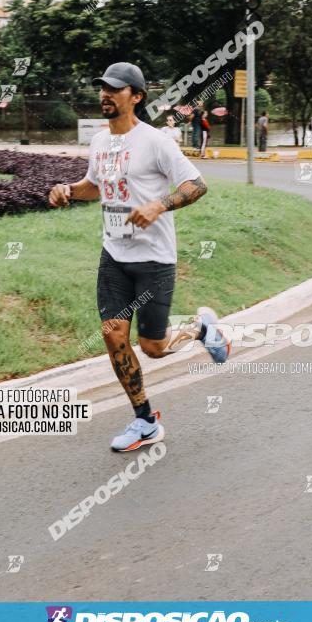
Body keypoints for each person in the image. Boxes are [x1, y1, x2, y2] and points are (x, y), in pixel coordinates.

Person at [48, 62, 231, 452]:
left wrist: (158, 206)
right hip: (114, 254)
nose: (105, 95)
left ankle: (201, 329)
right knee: (114, 336)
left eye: (115, 89)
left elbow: (196, 185)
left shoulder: (156, 141)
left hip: (154, 260)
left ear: (136, 97)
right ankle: (145, 421)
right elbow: (93, 188)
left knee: (153, 347)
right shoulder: (100, 142)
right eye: (102, 88)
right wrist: (67, 189)